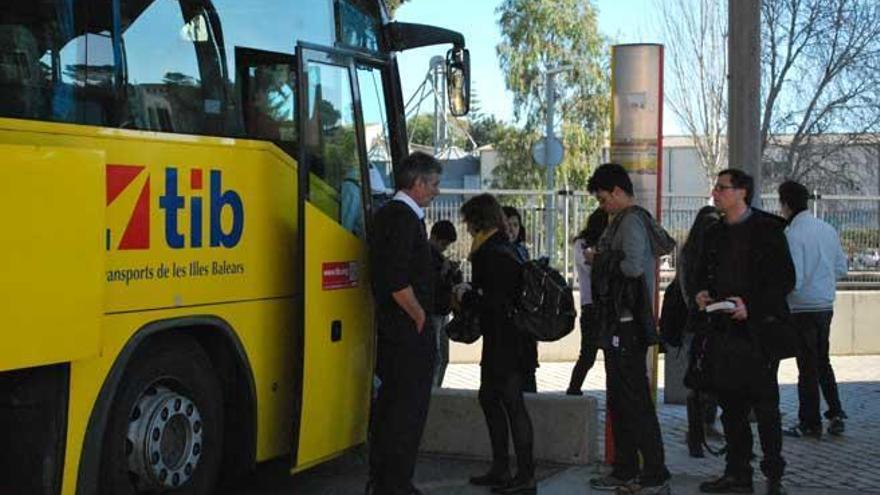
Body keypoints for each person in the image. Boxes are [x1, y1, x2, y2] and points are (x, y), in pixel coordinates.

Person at [693, 169, 794, 495]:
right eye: (716, 187)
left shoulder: (768, 230)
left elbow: (784, 281)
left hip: (757, 334)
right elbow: (700, 275)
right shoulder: (714, 232)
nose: (715, 193)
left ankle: (773, 475)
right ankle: (737, 473)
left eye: (722, 188)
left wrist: (751, 305)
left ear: (742, 193)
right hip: (723, 332)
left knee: (765, 408)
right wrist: (702, 293)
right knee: (731, 408)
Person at [586, 164, 674, 495]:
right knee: (621, 401)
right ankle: (625, 469)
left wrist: (601, 258)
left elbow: (633, 267)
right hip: (619, 323)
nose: (602, 205)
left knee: (634, 401)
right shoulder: (623, 221)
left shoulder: (632, 221)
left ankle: (653, 472)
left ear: (620, 192)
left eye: (604, 198)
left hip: (628, 325)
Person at [367, 151, 442, 495]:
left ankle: (386, 479)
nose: (436, 192)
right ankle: (395, 483)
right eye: (434, 184)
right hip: (406, 330)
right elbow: (397, 278)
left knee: (392, 406)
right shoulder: (403, 219)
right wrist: (419, 314)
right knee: (406, 410)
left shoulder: (388, 215)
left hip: (395, 330)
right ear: (418, 183)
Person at [458, 194, 537, 494]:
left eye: (468, 221)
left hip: (506, 342)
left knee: (511, 404)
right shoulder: (505, 248)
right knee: (491, 399)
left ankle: (524, 474)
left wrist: (466, 295)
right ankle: (502, 468)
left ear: (479, 221)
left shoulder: (492, 253)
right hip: (507, 340)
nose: (465, 228)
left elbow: (494, 301)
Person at [778, 180, 848, 438]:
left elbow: (793, 276)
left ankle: (809, 422)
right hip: (825, 305)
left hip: (801, 308)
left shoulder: (792, 234)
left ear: (785, 204)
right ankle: (836, 411)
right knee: (823, 361)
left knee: (806, 366)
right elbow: (841, 267)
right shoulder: (827, 229)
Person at [669, 206, 722, 457]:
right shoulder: (706, 255)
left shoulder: (688, 252)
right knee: (708, 379)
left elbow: (685, 290)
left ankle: (697, 431)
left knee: (698, 377)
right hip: (708, 322)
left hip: (695, 322)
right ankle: (703, 427)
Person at [566, 208, 608, 396]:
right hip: (591, 304)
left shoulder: (606, 246)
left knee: (610, 353)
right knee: (588, 354)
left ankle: (612, 391)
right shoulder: (582, 245)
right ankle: (573, 389)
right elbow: (589, 268)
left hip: (605, 304)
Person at [502, 205, 539, 393]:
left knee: (527, 372)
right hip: (506, 322)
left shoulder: (522, 250)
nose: (511, 230)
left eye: (515, 225)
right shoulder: (497, 252)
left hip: (525, 321)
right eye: (507, 225)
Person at [428, 219, 462, 387]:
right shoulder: (425, 256)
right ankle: (432, 390)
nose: (444, 248)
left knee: (441, 356)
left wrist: (453, 273)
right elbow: (429, 285)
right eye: (443, 244)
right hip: (433, 311)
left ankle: (436, 387)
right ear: (433, 237)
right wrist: (444, 272)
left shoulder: (439, 257)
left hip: (442, 311)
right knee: (435, 356)